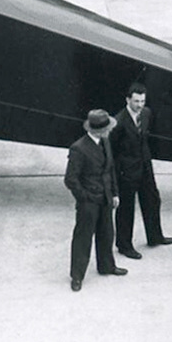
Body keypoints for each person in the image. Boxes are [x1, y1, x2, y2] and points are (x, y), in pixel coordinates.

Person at [64, 109, 127, 291]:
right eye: (107, 128)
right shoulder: (79, 148)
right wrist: (85, 198)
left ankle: (107, 265)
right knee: (83, 238)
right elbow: (71, 179)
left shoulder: (105, 142)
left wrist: (114, 193)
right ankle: (77, 276)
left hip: (105, 197)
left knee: (107, 233)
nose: (109, 131)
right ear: (98, 130)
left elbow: (110, 169)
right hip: (89, 202)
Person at [110, 82, 172, 259]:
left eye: (142, 101)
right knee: (126, 209)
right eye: (136, 101)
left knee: (152, 200)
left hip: (144, 167)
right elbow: (112, 153)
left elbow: (145, 140)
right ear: (127, 99)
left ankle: (155, 236)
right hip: (126, 172)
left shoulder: (146, 114)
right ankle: (124, 245)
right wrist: (116, 177)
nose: (139, 105)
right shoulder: (118, 122)